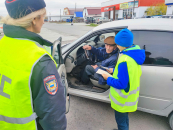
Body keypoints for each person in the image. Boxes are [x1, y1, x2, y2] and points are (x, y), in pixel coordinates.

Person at [0, 0, 66, 130]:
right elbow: (53, 118)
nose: (44, 21)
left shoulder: (3, 43)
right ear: (34, 19)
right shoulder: (39, 60)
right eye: (43, 17)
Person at [102, 29, 145, 130]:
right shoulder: (133, 55)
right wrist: (115, 70)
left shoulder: (124, 59)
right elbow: (129, 73)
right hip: (129, 97)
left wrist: (108, 78)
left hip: (122, 99)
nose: (116, 46)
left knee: (121, 122)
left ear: (122, 44)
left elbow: (121, 84)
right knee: (124, 119)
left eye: (117, 44)